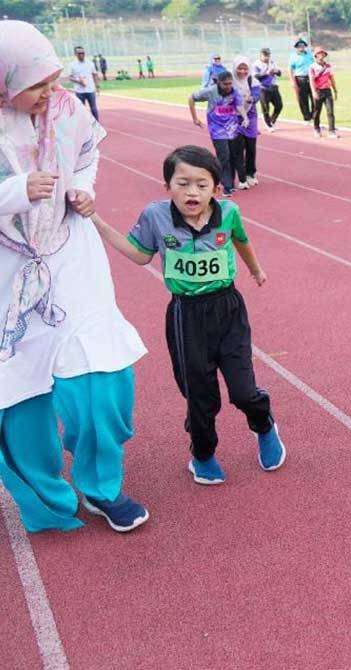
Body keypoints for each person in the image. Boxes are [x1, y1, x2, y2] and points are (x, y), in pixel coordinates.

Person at [0, 21, 148, 533]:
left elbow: (86, 155)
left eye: (52, 78)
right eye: (35, 85)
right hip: (9, 273)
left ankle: (101, 485)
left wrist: (81, 189)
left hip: (71, 255)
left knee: (101, 380)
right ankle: (45, 496)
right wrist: (17, 191)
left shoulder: (66, 107)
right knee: (20, 396)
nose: (50, 93)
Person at [91, 145, 287, 485]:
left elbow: (241, 240)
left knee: (243, 389)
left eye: (201, 184)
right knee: (199, 393)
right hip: (186, 315)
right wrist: (95, 221)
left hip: (228, 308)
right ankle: (203, 454)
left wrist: (256, 270)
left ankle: (264, 423)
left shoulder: (229, 212)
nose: (192, 191)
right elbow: (138, 255)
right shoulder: (156, 216)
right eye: (182, 183)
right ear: (167, 187)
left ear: (216, 188)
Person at [188, 71, 247, 195]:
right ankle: (226, 186)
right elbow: (191, 98)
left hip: (231, 127)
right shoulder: (210, 91)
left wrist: (245, 117)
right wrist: (195, 118)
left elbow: (240, 106)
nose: (228, 86)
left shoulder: (234, 91)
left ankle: (229, 182)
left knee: (232, 156)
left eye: (230, 83)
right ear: (219, 83)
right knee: (223, 156)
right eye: (225, 84)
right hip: (217, 129)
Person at [232, 56, 261, 186]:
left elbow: (257, 93)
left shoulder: (251, 80)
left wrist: (252, 98)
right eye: (240, 68)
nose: (243, 72)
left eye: (245, 69)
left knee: (250, 146)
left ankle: (251, 173)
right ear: (234, 68)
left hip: (250, 115)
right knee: (238, 147)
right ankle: (242, 177)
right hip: (234, 117)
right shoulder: (230, 80)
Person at [308, 46, 337, 138]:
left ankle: (331, 131)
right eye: (319, 53)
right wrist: (314, 92)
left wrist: (335, 90)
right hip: (318, 91)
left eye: (323, 53)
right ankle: (316, 129)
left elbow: (331, 78)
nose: (321, 55)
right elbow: (311, 80)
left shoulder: (328, 66)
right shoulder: (312, 67)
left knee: (330, 111)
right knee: (317, 111)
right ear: (316, 55)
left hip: (327, 90)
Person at [252, 47, 282, 132]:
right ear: (261, 55)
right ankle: (268, 124)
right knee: (265, 107)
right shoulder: (256, 64)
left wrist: (276, 71)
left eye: (268, 55)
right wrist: (266, 73)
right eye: (265, 55)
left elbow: (279, 73)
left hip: (273, 86)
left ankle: (272, 120)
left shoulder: (272, 63)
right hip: (263, 88)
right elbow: (257, 76)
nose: (267, 57)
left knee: (279, 105)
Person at [68, 45, 100, 120]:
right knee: (81, 109)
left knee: (94, 108)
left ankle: (97, 125)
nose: (82, 54)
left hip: (90, 89)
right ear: (75, 54)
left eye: (83, 53)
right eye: (79, 53)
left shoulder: (90, 63)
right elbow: (70, 77)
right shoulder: (72, 65)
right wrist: (79, 81)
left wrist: (97, 85)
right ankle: (84, 126)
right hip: (79, 91)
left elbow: (95, 74)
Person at [288, 38, 314, 122]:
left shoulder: (309, 54)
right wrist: (292, 81)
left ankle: (314, 116)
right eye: (299, 46)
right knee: (303, 99)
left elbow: (314, 65)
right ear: (296, 47)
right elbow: (291, 69)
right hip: (300, 79)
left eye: (303, 46)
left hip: (311, 78)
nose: (301, 47)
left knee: (314, 97)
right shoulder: (293, 56)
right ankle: (307, 117)